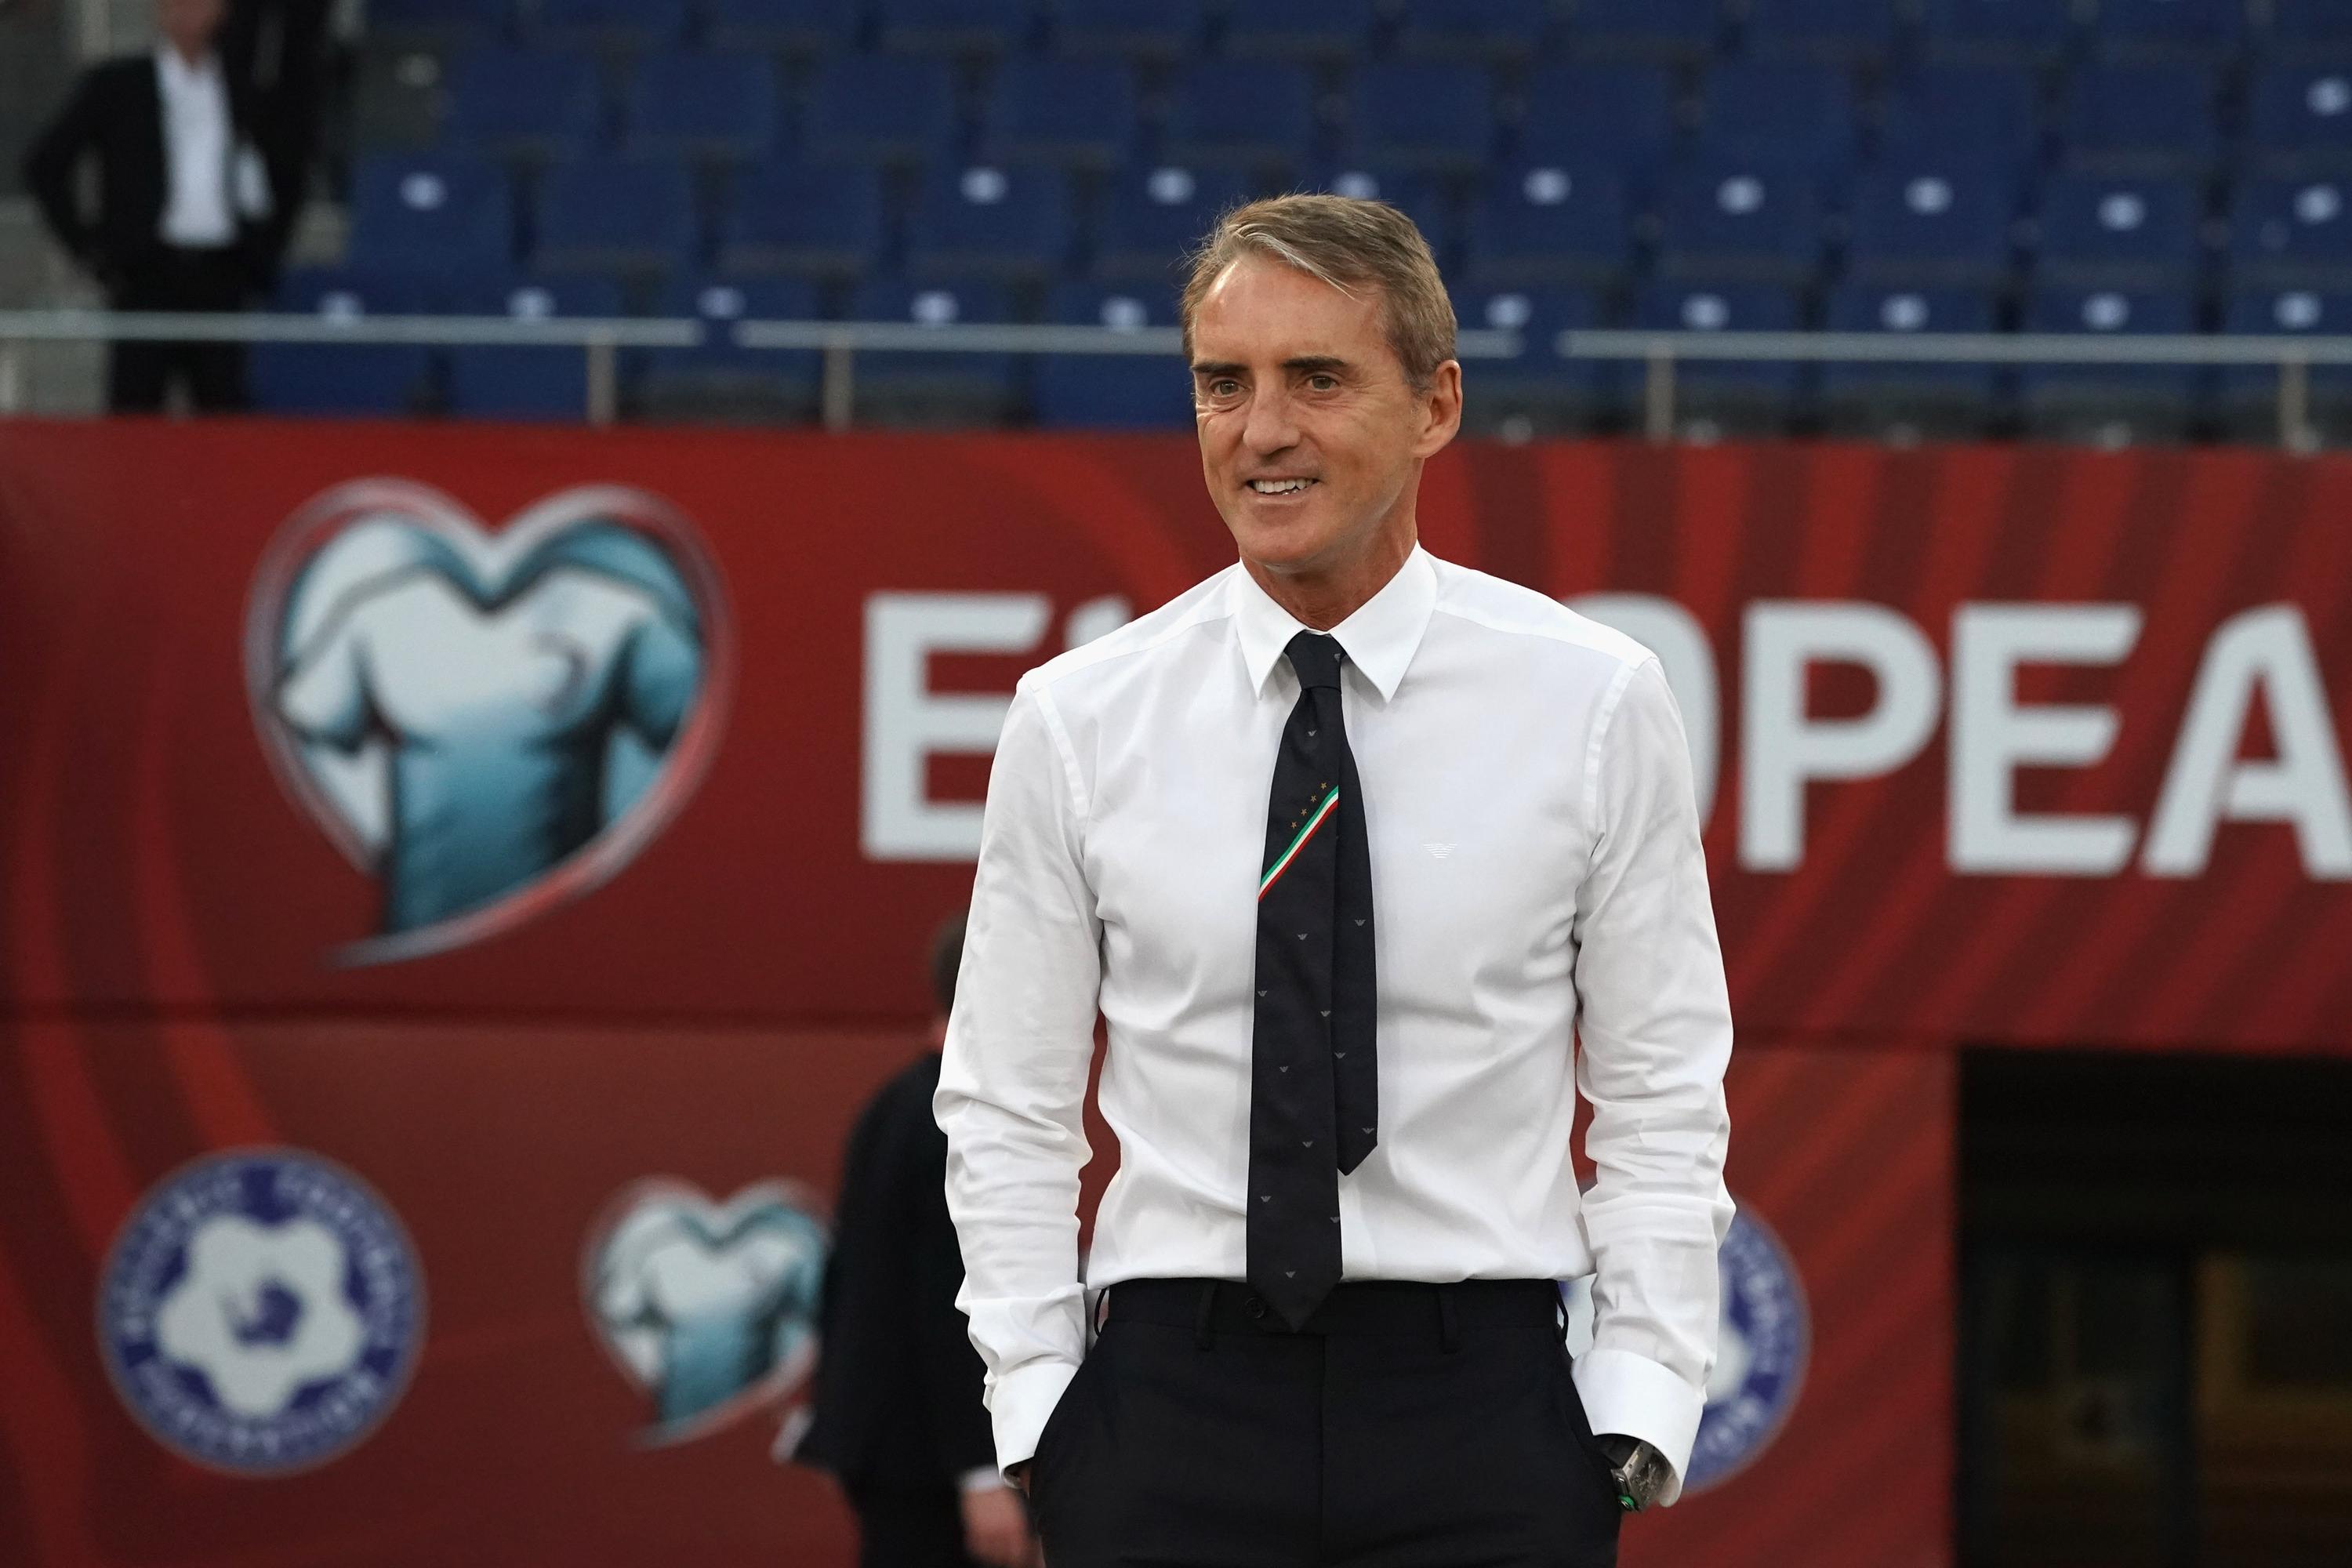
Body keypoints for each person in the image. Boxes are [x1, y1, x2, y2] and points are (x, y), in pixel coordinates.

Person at [935, 194, 1735, 1567]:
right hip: (1164, 1414)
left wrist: (1642, 1396)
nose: (1261, 432)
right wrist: (1039, 1410)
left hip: (1483, 1412)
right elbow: (1006, 1100)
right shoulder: (1075, 717)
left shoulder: (1596, 702)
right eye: (1222, 384)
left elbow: (1663, 1082)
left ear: (1436, 405)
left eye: (1317, 378)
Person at [800, 912, 1041, 1568]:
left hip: (900, 1454)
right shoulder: (949, 1121)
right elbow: (945, 1302)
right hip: (931, 1466)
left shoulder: (899, 1103)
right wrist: (980, 1473)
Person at [21, 0, 304, 412]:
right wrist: (90, 250)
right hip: (146, 275)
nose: (191, 13)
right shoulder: (119, 85)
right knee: (136, 415)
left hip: (221, 277)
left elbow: (283, 170)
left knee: (223, 419)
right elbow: (45, 165)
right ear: (160, 10)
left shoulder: (245, 88)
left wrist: (263, 252)